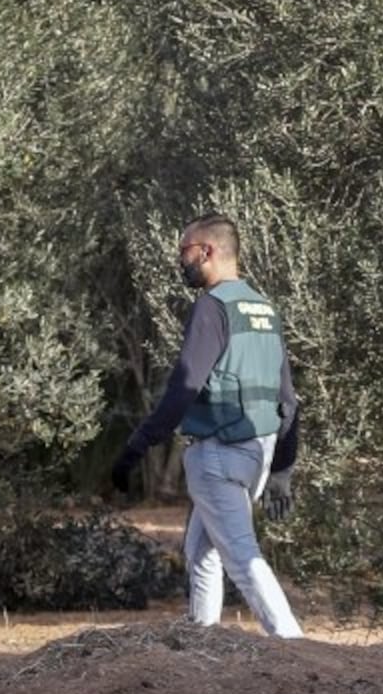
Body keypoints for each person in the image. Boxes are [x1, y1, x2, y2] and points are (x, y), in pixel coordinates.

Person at [112, 214, 303, 638]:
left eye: (185, 252)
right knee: (201, 549)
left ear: (208, 251)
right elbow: (287, 400)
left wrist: (135, 447)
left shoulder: (211, 308)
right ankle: (202, 638)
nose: (181, 261)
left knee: (242, 556)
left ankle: (293, 644)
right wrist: (281, 470)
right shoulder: (263, 310)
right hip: (257, 450)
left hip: (218, 453)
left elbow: (184, 388)